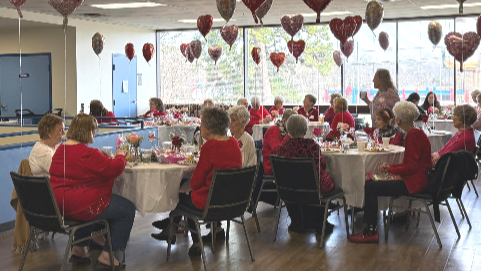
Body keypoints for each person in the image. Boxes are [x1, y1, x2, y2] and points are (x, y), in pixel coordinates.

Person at [49, 114, 135, 268]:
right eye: (94, 130)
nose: (95, 133)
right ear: (88, 131)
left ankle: (78, 249)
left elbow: (80, 172)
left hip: (59, 204)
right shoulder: (87, 153)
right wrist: (121, 156)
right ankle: (107, 255)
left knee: (88, 202)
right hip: (78, 205)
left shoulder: (61, 149)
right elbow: (114, 168)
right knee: (127, 209)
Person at [349, 102, 432, 243]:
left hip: (413, 183)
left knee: (370, 186)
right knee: (372, 182)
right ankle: (370, 228)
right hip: (417, 179)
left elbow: (410, 168)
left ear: (398, 119)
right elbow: (409, 165)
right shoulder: (416, 133)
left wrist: (390, 169)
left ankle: (371, 230)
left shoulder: (412, 136)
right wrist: (390, 167)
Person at [277, 115, 336, 233]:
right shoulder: (312, 146)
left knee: (302, 183)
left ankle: (298, 221)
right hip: (313, 187)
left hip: (289, 189)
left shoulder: (282, 148)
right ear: (305, 130)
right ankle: (319, 221)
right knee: (327, 179)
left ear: (288, 130)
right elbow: (322, 166)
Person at [249, 110, 297, 210]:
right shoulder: (274, 130)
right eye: (292, 123)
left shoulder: (285, 131)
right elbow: (277, 150)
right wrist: (290, 136)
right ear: (284, 121)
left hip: (283, 163)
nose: (294, 126)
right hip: (272, 165)